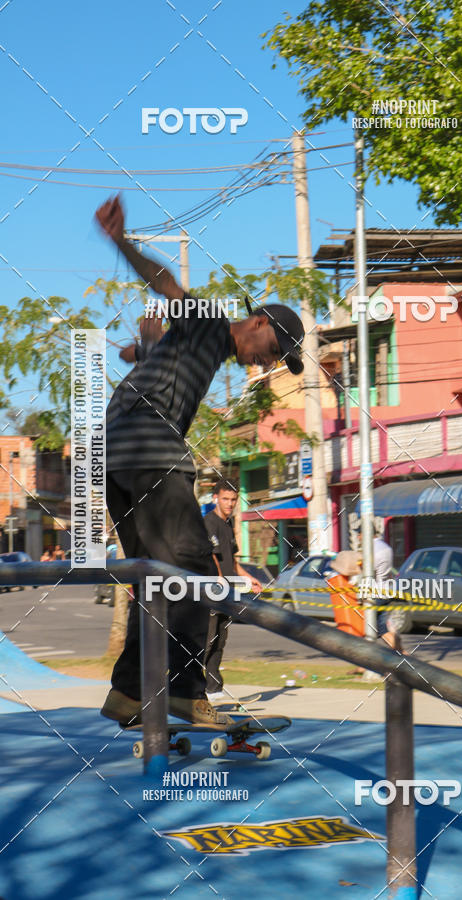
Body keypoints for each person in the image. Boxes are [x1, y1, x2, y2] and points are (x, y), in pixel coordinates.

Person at [94, 195, 305, 727]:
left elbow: (147, 351)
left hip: (115, 459)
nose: (267, 361)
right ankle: (187, 693)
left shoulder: (196, 346)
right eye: (272, 347)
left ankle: (127, 693)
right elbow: (165, 283)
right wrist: (121, 241)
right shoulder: (211, 321)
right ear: (255, 322)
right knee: (191, 572)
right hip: (151, 455)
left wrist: (141, 348)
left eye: (277, 359)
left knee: (155, 579)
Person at [202, 478, 262, 701]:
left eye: (233, 499)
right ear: (215, 498)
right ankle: (189, 690)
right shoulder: (208, 522)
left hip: (226, 592)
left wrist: (249, 579)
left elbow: (232, 561)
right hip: (211, 591)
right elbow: (212, 555)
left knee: (219, 640)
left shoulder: (227, 525)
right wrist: (218, 579)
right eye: (225, 498)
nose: (229, 503)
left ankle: (214, 690)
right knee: (206, 642)